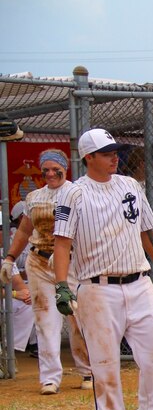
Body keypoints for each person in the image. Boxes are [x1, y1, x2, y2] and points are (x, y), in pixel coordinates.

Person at [52, 128, 153, 410]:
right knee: (105, 360)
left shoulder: (130, 186)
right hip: (97, 289)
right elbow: (62, 242)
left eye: (115, 151)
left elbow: (147, 230)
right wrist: (62, 285)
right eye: (106, 153)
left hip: (140, 282)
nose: (114, 157)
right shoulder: (73, 193)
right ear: (88, 158)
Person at [1, 149, 93, 394]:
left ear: (65, 168)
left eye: (56, 169)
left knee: (77, 317)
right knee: (45, 319)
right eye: (46, 170)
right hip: (39, 261)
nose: (50, 173)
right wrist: (10, 258)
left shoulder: (77, 193)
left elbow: (88, 229)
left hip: (71, 262)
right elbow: (23, 230)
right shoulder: (34, 197)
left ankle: (87, 371)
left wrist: (66, 249)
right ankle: (50, 378)